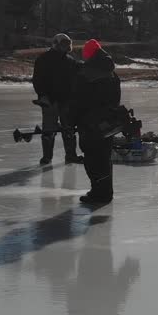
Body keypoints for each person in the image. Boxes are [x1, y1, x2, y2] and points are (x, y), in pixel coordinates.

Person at [69, 39, 122, 205]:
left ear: (88, 54)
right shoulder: (112, 72)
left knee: (93, 160)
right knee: (104, 158)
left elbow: (78, 100)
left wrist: (72, 120)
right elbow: (115, 98)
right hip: (108, 123)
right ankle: (105, 192)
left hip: (89, 123)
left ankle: (98, 193)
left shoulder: (87, 73)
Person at [32, 33, 83, 165]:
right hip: (50, 101)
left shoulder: (70, 61)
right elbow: (37, 80)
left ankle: (71, 155)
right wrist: (42, 96)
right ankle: (47, 157)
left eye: (68, 44)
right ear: (56, 44)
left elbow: (77, 78)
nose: (66, 46)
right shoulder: (43, 59)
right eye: (64, 44)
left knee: (69, 129)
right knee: (49, 130)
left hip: (67, 101)